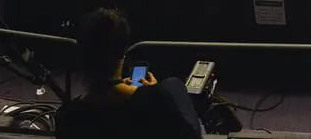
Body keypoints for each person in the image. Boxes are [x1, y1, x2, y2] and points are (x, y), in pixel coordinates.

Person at [56, 9, 203, 139]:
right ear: (123, 54)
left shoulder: (67, 117)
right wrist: (156, 93)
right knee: (175, 87)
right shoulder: (158, 98)